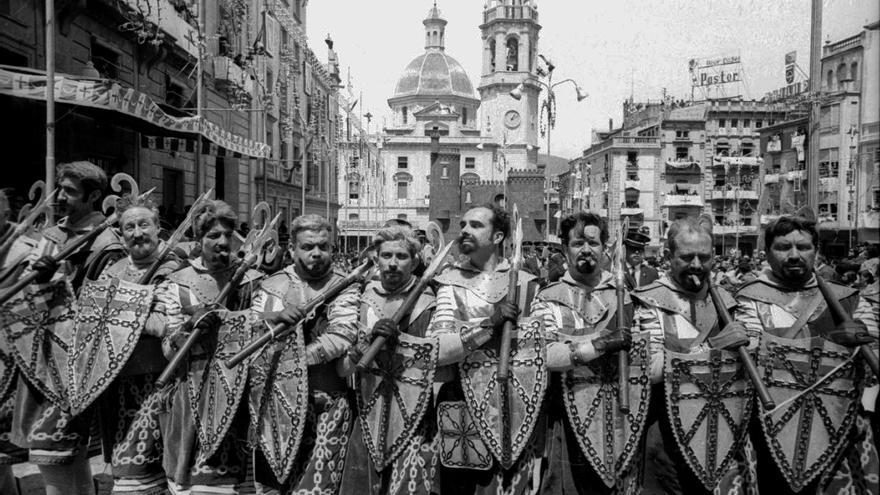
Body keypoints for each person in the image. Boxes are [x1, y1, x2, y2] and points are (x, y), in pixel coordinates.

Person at [736, 215, 879, 494]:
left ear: (816, 251)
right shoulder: (750, 297)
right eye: (783, 247)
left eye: (803, 247)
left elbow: (874, 366)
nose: (794, 255)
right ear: (767, 253)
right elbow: (750, 358)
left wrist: (863, 343)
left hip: (839, 427)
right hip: (772, 429)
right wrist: (832, 341)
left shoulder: (848, 297)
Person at [6, 161, 120, 495]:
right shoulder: (50, 236)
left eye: (69, 191)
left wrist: (55, 282)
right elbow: (26, 295)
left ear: (94, 195)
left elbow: (102, 305)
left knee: (58, 450)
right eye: (59, 189)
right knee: (58, 457)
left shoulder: (107, 244)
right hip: (38, 358)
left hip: (76, 363)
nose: (59, 197)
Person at [633, 216, 757, 494]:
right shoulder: (649, 301)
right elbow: (647, 370)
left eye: (704, 257)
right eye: (687, 257)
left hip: (724, 427)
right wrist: (711, 350)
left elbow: (752, 364)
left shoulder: (728, 300)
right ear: (667, 257)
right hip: (667, 431)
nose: (698, 266)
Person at [428, 204, 540, 494]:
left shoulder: (527, 284)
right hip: (461, 401)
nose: (464, 230)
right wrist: (488, 326)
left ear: (498, 236)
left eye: (476, 225)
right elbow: (436, 350)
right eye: (463, 224)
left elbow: (538, 350)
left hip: (514, 405)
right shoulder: (449, 283)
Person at [154, 199, 263, 494]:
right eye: (213, 235)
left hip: (238, 393)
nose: (223, 242)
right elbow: (168, 348)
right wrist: (189, 327)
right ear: (198, 240)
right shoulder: (177, 283)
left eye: (228, 234)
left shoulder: (252, 281)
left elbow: (263, 333)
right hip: (192, 392)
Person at [249, 214, 360, 493]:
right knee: (273, 487)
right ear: (292, 250)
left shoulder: (345, 284)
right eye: (308, 247)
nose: (316, 253)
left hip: (326, 404)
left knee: (318, 488)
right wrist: (274, 316)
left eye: (323, 246)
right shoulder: (272, 284)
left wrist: (296, 361)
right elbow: (250, 330)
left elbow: (342, 335)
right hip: (275, 403)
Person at [531, 212, 638, 494]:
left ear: (605, 248)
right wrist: (599, 344)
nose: (587, 249)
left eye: (593, 242)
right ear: (565, 250)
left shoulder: (625, 295)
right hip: (565, 415)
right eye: (578, 243)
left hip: (619, 413)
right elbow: (544, 356)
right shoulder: (548, 297)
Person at [88, 196, 182, 494]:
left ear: (158, 229)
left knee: (153, 474)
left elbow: (165, 323)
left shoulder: (177, 270)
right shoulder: (111, 271)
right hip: (117, 384)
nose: (137, 232)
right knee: (126, 470)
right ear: (121, 232)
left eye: (144, 224)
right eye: (129, 226)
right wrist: (141, 307)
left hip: (160, 381)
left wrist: (121, 312)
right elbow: (92, 316)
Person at [337, 225, 440, 495]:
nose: (393, 263)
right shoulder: (360, 298)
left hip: (414, 416)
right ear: (376, 258)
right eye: (386, 255)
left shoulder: (430, 303)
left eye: (402, 257)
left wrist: (404, 345)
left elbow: (440, 368)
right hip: (367, 409)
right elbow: (344, 367)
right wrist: (365, 344)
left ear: (415, 261)